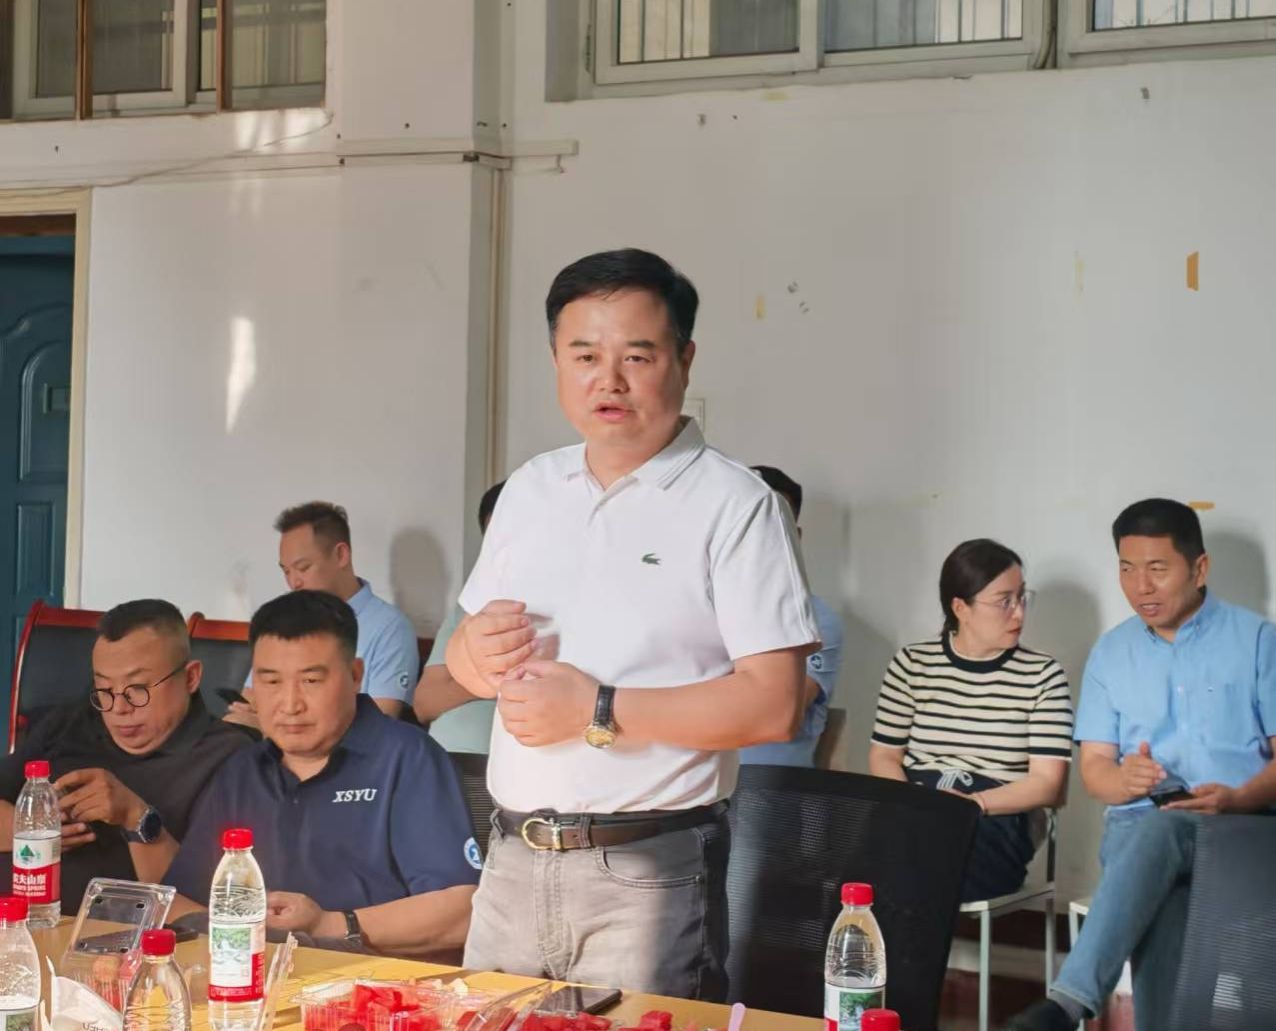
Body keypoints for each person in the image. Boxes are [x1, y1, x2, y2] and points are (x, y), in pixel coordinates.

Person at [446, 248, 820, 1000]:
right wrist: (472, 655)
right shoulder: (530, 488)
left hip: (647, 868)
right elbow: (463, 658)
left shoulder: (736, 504)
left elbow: (775, 703)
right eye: (584, 355)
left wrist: (598, 708)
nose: (608, 380)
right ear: (556, 360)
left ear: (684, 359)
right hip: (511, 854)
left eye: (636, 356)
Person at [1003, 499, 1276, 1031]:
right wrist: (1123, 779)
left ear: (1199, 568)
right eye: (1127, 569)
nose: (1141, 587)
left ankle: (1067, 1003)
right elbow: (1095, 772)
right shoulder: (1110, 654)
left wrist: (1238, 797)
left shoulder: (1259, 642)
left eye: (1157, 569)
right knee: (1159, 854)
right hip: (1142, 837)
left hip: (1242, 829)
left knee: (1163, 833)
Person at [165, 590, 480, 960]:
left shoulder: (406, 758)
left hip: (374, 980)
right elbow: (179, 898)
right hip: (259, 975)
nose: (290, 704)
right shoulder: (243, 770)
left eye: (311, 681)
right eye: (271, 682)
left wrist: (328, 925)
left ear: (355, 675)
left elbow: (462, 911)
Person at [0, 600, 252, 913]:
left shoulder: (231, 758)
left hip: (110, 935)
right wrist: (31, 831)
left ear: (190, 678)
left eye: (137, 689)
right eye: (105, 690)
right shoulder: (70, 723)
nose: (119, 708)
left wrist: (137, 818)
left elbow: (210, 904)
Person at [869, 538, 1073, 903]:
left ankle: (903, 940)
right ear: (960, 607)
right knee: (857, 854)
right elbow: (884, 756)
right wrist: (914, 805)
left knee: (918, 869)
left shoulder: (1042, 675)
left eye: (1022, 597)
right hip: (916, 804)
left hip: (995, 815)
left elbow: (1047, 784)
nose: (1019, 613)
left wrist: (971, 804)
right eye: (1004, 601)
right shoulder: (912, 663)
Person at [227, 501, 419, 726]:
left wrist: (270, 727)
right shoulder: (284, 619)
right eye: (286, 571)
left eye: (303, 568)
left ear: (341, 555)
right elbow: (249, 701)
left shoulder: (389, 628)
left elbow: (379, 723)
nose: (294, 582)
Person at [740, 465, 844, 767]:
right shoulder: (699, 612)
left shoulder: (817, 621)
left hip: (770, 788)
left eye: (773, 524)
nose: (758, 538)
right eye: (748, 523)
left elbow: (774, 713)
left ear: (795, 536)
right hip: (699, 786)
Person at [412, 481, 505, 753]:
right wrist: (495, 681)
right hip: (446, 762)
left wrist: (465, 681)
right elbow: (425, 704)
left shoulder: (574, 608)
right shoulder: (470, 607)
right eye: (495, 539)